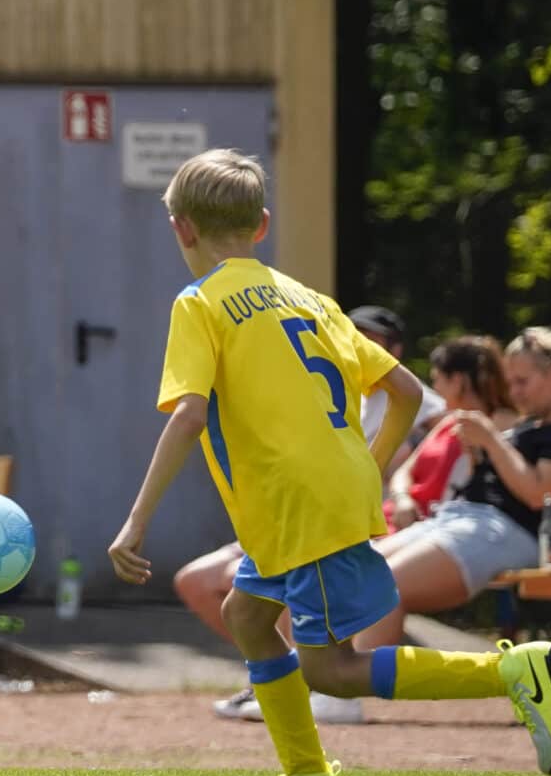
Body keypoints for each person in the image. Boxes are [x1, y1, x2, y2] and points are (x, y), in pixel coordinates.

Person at [109, 149, 551, 776]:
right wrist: (371, 464)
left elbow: (189, 414)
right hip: (308, 501)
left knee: (331, 668)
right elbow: (406, 391)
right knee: (248, 617)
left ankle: (513, 670)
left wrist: (136, 520)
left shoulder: (199, 302)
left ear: (181, 227)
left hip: (297, 505)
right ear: (262, 224)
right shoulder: (310, 298)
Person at [178, 305, 444, 724]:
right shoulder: (325, 384)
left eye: (371, 338)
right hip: (295, 512)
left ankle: (301, 684)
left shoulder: (421, 401)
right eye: (353, 333)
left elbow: (432, 437)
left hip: (347, 521)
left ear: (393, 348)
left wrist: (376, 475)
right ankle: (283, 676)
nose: (357, 342)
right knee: (197, 582)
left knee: (265, 593)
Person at [353, 326, 551, 652]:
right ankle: (322, 686)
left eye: (522, 382)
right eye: (510, 381)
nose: (513, 392)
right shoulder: (527, 430)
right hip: (458, 520)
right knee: (351, 572)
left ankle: (345, 694)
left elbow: (538, 494)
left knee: (383, 583)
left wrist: (490, 440)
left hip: (510, 531)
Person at [385, 335, 519, 532]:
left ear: (457, 381)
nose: (436, 388)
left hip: (439, 527)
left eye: (437, 379)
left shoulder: (501, 427)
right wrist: (402, 499)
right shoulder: (449, 422)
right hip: (399, 519)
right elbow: (403, 473)